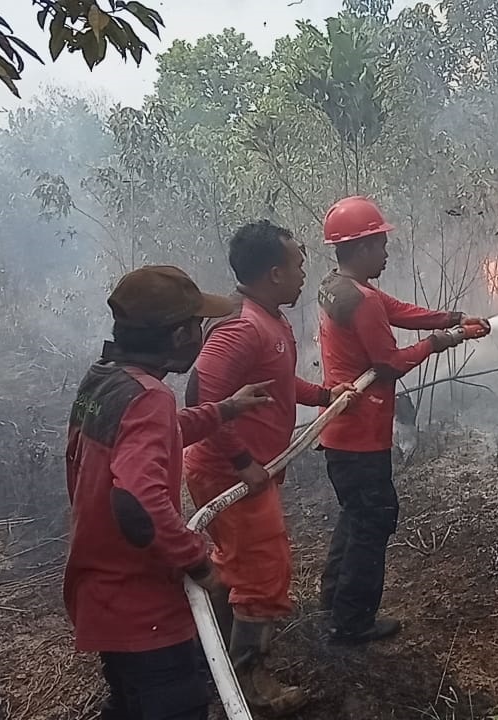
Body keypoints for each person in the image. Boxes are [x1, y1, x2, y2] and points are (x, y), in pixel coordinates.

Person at [64, 265, 273, 720]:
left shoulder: (106, 380)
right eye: (196, 325)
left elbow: (155, 434)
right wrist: (199, 563)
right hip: (143, 603)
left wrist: (224, 409)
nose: (200, 334)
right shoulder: (150, 397)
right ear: (179, 335)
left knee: (129, 705)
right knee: (177, 705)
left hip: (103, 590)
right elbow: (138, 501)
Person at [183, 220, 353, 714]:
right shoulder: (241, 327)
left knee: (237, 565)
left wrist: (323, 395)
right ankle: (250, 684)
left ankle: (214, 656)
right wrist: (242, 461)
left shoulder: (267, 319)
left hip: (241, 471)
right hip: (228, 474)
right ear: (274, 273)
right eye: (297, 265)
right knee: (263, 572)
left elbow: (277, 382)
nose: (303, 274)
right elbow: (201, 397)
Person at [316, 195, 490, 644]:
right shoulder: (361, 300)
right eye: (380, 243)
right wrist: (440, 342)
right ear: (361, 247)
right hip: (361, 434)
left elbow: (397, 311)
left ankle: (334, 600)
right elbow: (389, 364)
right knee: (374, 519)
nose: (387, 251)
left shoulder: (341, 287)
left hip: (340, 432)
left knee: (356, 514)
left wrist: (454, 319)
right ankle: (352, 623)